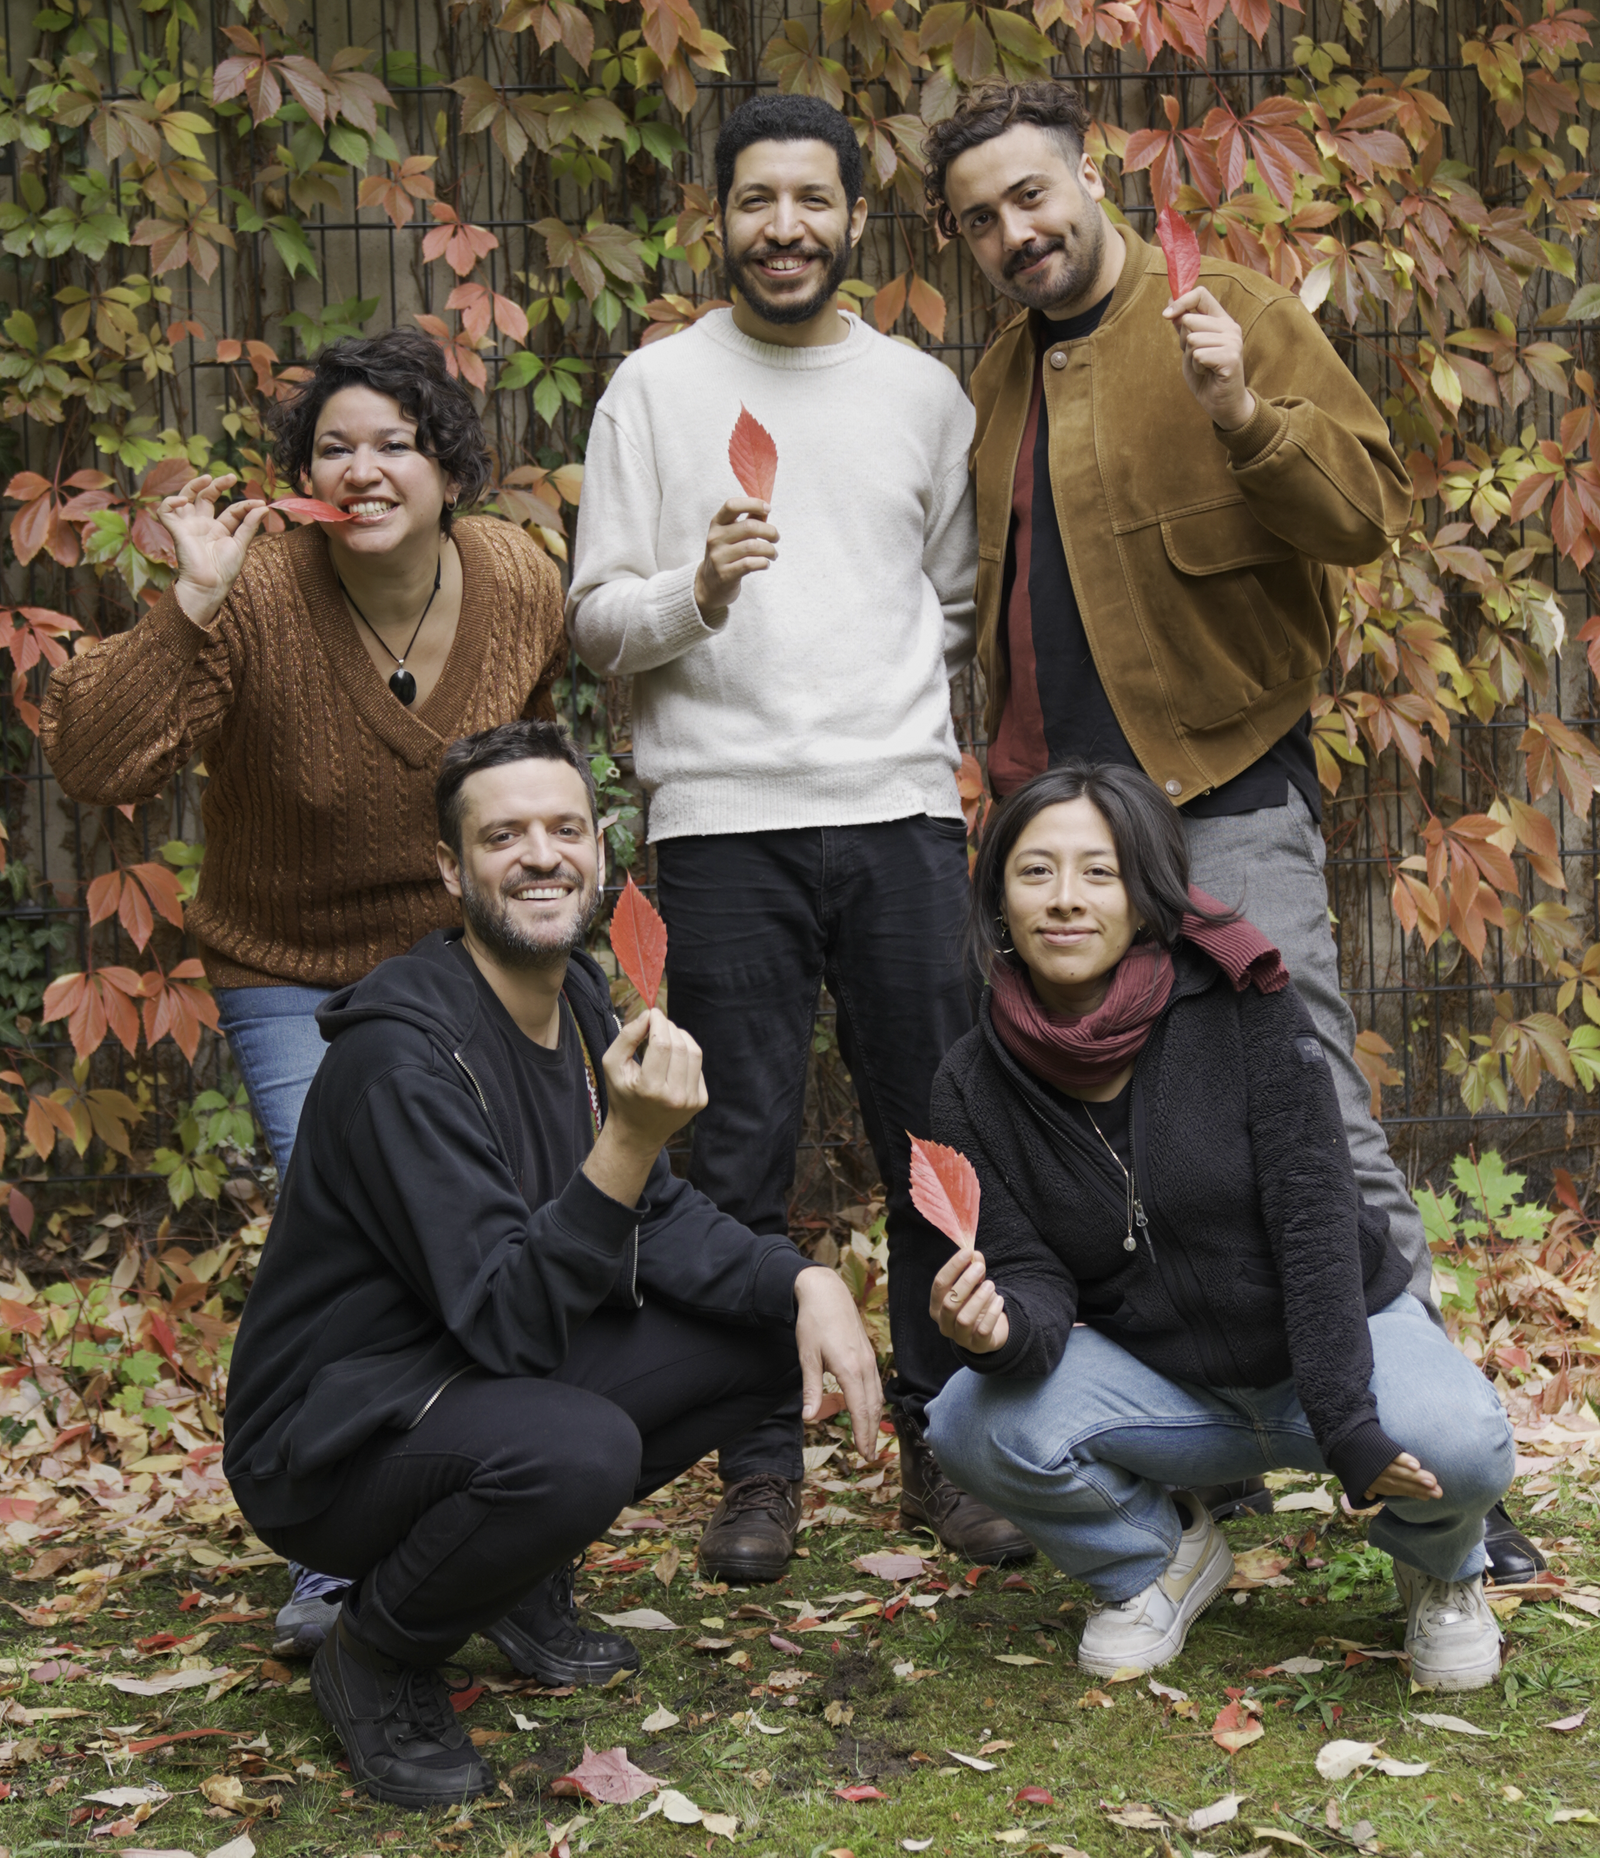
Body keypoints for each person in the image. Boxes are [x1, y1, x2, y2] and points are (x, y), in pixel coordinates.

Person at [923, 78, 1541, 1582]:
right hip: (1062, 836)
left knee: (1318, 1110)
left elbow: (1364, 517)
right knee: (1093, 1130)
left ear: (1089, 182)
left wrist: (1242, 413)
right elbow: (999, 607)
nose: (1016, 232)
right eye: (980, 219)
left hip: (1221, 794)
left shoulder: (1234, 310)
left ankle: (1447, 1482)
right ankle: (1201, 1444)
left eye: (1032, 196)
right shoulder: (998, 378)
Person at [221, 720, 882, 1809]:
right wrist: (628, 1137)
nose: (541, 854)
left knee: (760, 1325)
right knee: (577, 1449)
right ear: (451, 868)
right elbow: (511, 1323)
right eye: (504, 835)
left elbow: (655, 1216)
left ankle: (510, 1581)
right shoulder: (403, 1059)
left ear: (598, 848)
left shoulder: (575, 997)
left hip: (462, 1381)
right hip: (332, 1439)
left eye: (564, 827)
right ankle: (374, 1652)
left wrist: (804, 1279)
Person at [40, 329, 570, 1653]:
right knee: (360, 1236)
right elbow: (93, 760)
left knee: (496, 1231)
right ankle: (342, 1542)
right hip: (296, 974)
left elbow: (529, 756)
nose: (366, 465)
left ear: (448, 465)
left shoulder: (518, 576)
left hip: (464, 970)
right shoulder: (262, 591)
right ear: (301, 477)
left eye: (395, 440)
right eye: (336, 444)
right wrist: (190, 603)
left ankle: (495, 1535)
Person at [567, 92, 1029, 1575]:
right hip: (721, 823)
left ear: (852, 218)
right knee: (730, 1155)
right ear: (721, 218)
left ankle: (942, 1448)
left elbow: (952, 602)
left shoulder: (921, 395)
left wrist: (883, 706)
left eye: (812, 201)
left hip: (897, 809)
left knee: (935, 1139)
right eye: (758, 201)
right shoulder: (653, 390)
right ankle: (755, 1464)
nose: (785, 228)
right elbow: (592, 623)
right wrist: (695, 591)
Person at [922, 762, 1514, 1690]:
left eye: (1099, 872)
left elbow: (1314, 1224)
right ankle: (1156, 1558)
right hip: (1165, 1384)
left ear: (1145, 896)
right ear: (999, 898)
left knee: (1462, 1442)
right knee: (966, 1420)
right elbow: (1032, 1275)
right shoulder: (970, 1081)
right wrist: (998, 1332)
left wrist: (1350, 1422)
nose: (1066, 900)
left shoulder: (1246, 1006)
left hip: (1332, 1347)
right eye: (1036, 872)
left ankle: (1439, 1568)